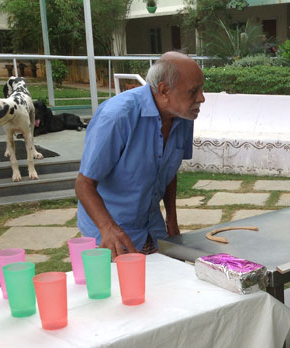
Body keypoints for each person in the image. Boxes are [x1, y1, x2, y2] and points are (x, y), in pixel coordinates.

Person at [75, 51, 205, 259]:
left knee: (158, 287)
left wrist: (171, 221)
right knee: (119, 290)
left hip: (151, 228)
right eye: (193, 91)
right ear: (164, 90)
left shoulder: (183, 116)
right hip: (109, 233)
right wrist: (108, 228)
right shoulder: (117, 116)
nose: (202, 98)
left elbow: (168, 171)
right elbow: (84, 184)